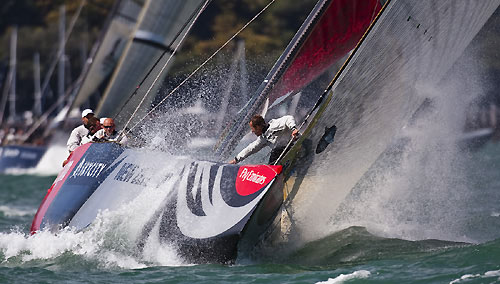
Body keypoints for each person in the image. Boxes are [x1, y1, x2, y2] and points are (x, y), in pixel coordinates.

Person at [229, 115, 299, 165]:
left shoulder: (275, 125)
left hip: (296, 143)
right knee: (275, 153)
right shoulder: (263, 139)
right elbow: (250, 149)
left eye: (252, 128)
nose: (252, 131)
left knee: (275, 151)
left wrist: (293, 129)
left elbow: (288, 118)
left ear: (258, 127)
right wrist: (236, 160)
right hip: (285, 151)